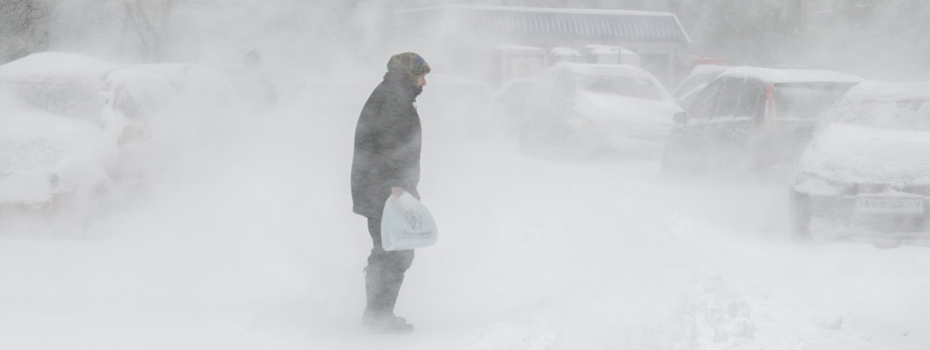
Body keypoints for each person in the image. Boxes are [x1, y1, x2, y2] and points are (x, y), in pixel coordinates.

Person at [350, 52, 430, 333]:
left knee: (387, 252)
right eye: (421, 75)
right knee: (395, 254)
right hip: (386, 192)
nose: (424, 82)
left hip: (377, 189)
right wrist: (399, 188)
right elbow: (392, 144)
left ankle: (377, 314)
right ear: (407, 74)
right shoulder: (395, 99)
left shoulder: (391, 93)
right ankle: (378, 318)